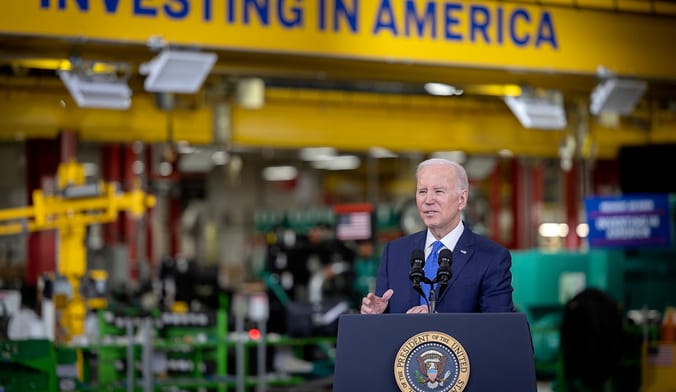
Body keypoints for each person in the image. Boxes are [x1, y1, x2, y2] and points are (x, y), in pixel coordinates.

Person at [360, 158, 514, 314]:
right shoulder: (394, 252)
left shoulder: (491, 257)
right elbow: (382, 328)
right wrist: (375, 315)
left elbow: (498, 328)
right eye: (422, 191)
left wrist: (435, 319)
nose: (428, 200)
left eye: (438, 191)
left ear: (462, 199)